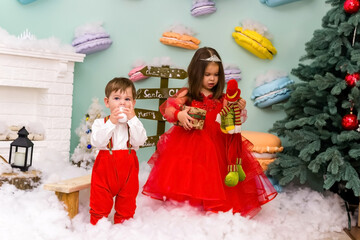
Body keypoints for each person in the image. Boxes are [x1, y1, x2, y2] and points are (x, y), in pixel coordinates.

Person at [142, 47, 277, 217]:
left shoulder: (222, 97)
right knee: (191, 173)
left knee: (217, 174)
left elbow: (233, 118)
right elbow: (168, 109)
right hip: (190, 143)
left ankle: (216, 202)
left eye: (216, 74)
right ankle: (192, 200)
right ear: (196, 73)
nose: (212, 79)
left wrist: (236, 106)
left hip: (218, 143)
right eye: (207, 75)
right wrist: (180, 113)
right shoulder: (188, 94)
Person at [90, 77, 147, 225]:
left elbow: (140, 141)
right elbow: (97, 141)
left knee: (127, 200)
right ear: (107, 102)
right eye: (117, 98)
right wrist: (111, 122)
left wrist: (133, 119)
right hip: (105, 170)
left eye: (127, 99)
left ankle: (124, 225)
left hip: (128, 171)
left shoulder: (133, 124)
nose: (122, 102)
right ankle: (98, 226)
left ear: (133, 104)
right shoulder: (100, 123)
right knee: (100, 199)